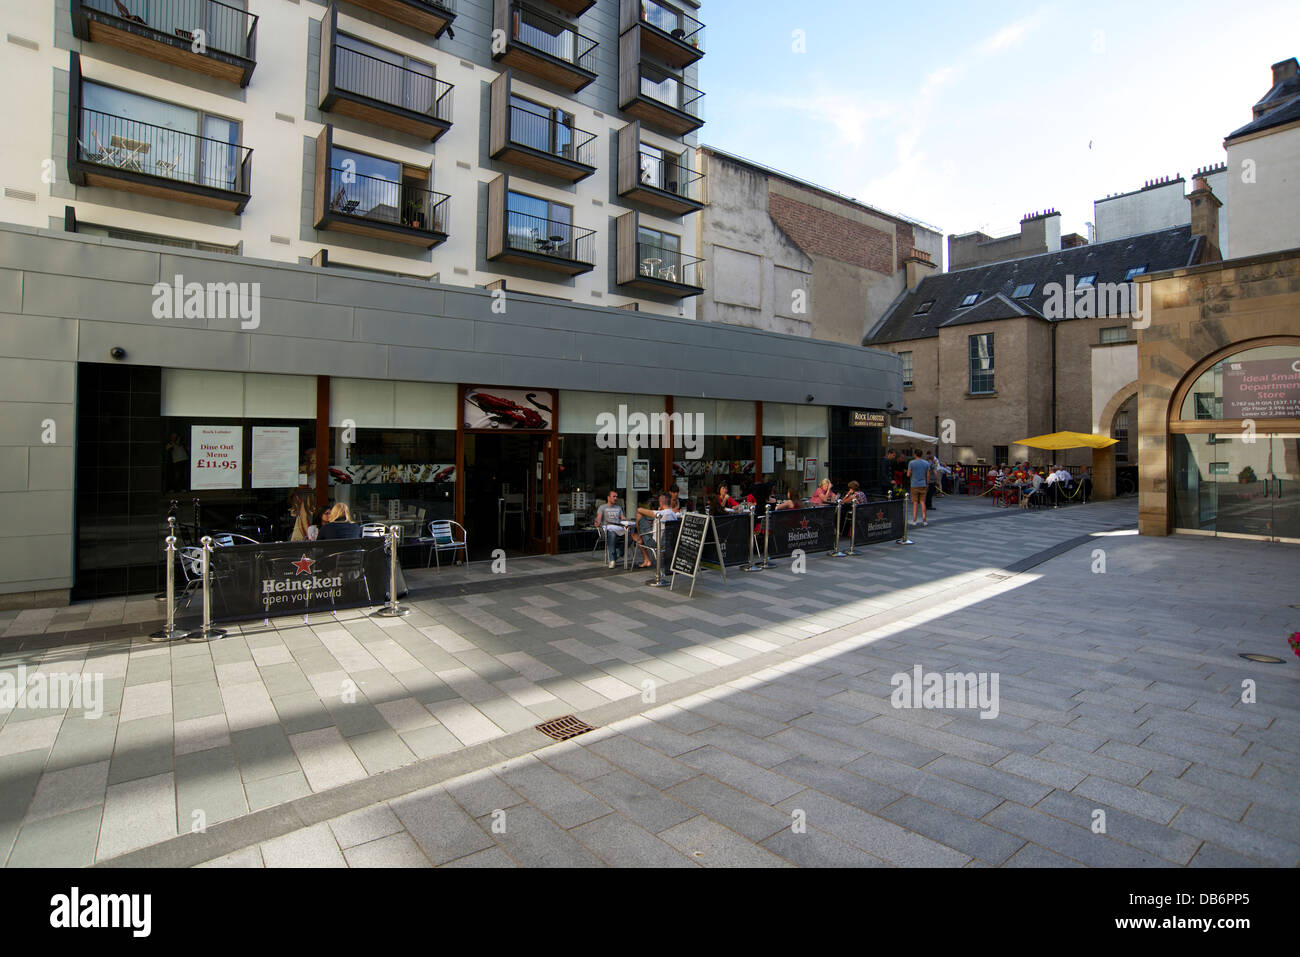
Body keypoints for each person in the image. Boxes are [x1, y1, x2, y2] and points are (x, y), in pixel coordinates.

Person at [633, 493, 680, 567]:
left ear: (660, 503)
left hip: (656, 543)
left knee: (639, 516)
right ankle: (641, 539)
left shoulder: (659, 514)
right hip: (669, 542)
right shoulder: (674, 514)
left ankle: (641, 538)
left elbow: (639, 510)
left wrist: (658, 510)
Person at [594, 489, 627, 567]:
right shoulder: (602, 507)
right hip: (606, 529)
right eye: (614, 496)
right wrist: (597, 522)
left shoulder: (618, 508)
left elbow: (623, 518)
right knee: (612, 534)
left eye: (616, 497)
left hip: (617, 528)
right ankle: (612, 560)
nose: (615, 498)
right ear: (608, 498)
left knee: (631, 535)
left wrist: (626, 521)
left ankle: (619, 553)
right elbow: (598, 518)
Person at [907, 448, 931, 525]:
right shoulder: (926, 463)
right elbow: (928, 475)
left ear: (915, 454)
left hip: (914, 484)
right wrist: (927, 484)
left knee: (915, 502)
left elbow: (908, 474)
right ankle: (924, 520)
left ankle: (914, 520)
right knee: (922, 502)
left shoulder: (911, 463)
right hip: (923, 484)